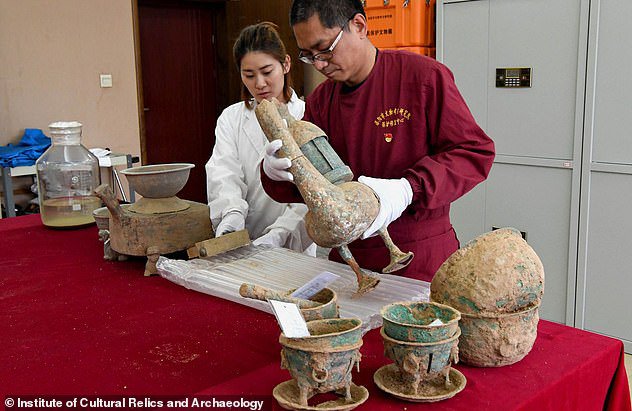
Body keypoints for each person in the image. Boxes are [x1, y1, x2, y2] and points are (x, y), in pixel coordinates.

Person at [260, 0, 495, 282]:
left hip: (419, 256)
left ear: (359, 25)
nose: (320, 64)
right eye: (308, 55)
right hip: (350, 264)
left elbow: (473, 152)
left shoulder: (422, 77)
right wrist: (278, 172)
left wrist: (409, 188)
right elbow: (313, 186)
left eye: (325, 49)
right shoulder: (322, 100)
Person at [206, 22, 315, 255]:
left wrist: (279, 235)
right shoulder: (231, 118)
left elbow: (310, 191)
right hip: (243, 241)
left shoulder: (307, 117)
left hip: (294, 248)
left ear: (285, 64)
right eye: (249, 75)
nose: (260, 83)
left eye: (267, 72)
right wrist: (231, 214)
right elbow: (223, 172)